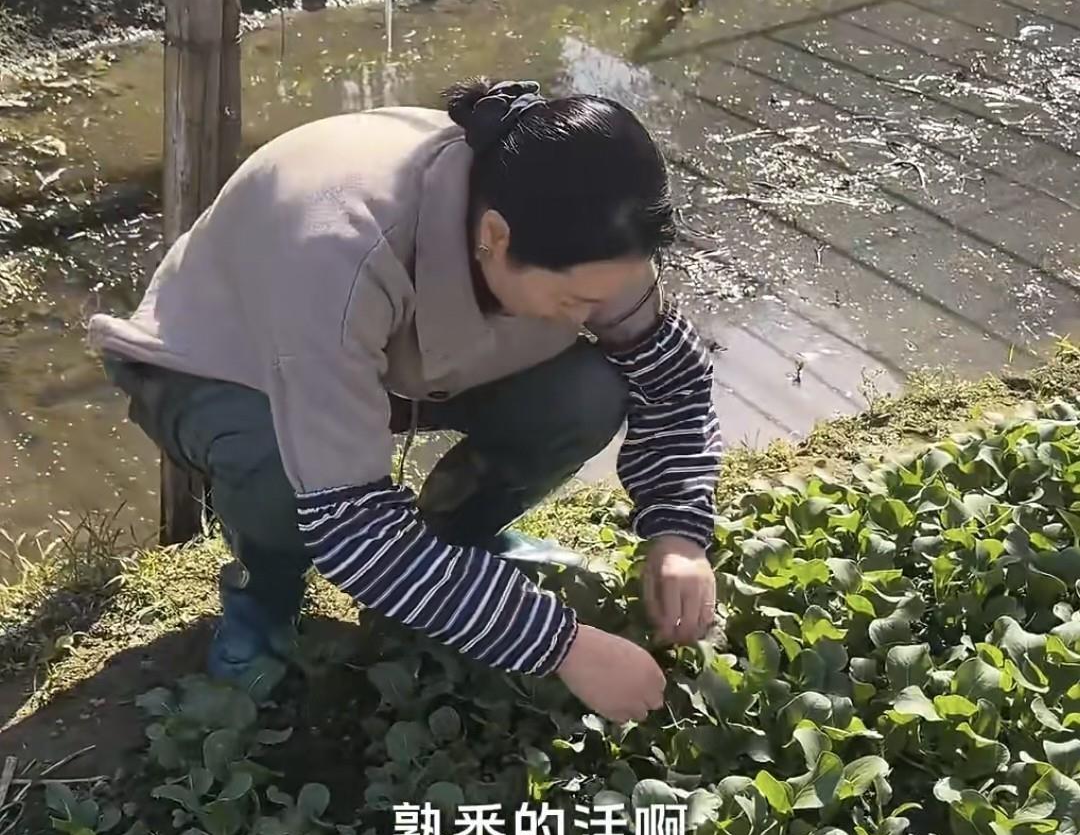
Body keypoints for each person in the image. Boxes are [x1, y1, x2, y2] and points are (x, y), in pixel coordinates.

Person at [87, 79, 722, 724]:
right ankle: (265, 602)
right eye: (576, 302)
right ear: (496, 236)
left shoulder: (584, 232)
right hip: (224, 362)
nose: (595, 316)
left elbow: (673, 380)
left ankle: (453, 549)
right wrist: (560, 644)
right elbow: (351, 524)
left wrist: (680, 531)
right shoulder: (338, 252)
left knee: (592, 391)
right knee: (279, 472)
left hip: (394, 360)